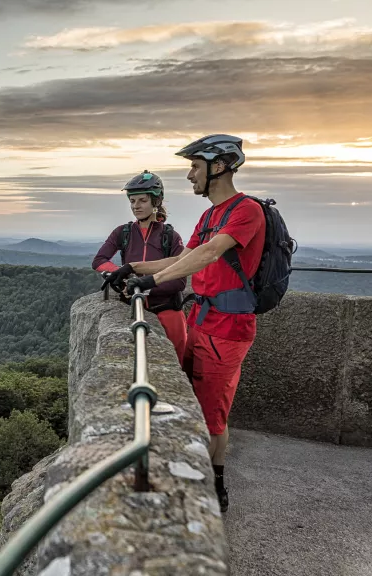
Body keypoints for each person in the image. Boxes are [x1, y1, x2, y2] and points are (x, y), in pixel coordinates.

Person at [123, 135, 265, 513]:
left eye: (194, 167)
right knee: (192, 401)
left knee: (211, 412)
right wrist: (133, 268)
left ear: (218, 167)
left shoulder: (246, 211)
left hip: (227, 328)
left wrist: (152, 282)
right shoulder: (209, 214)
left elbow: (209, 253)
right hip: (200, 319)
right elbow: (181, 258)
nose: (189, 176)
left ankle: (214, 483)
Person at [92, 170, 187, 365]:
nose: (136, 206)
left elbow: (179, 279)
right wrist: (121, 274)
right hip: (132, 307)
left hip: (167, 310)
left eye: (142, 200)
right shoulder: (123, 232)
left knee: (176, 366)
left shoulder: (170, 236)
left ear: (156, 201)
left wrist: (145, 286)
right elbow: (99, 260)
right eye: (132, 201)